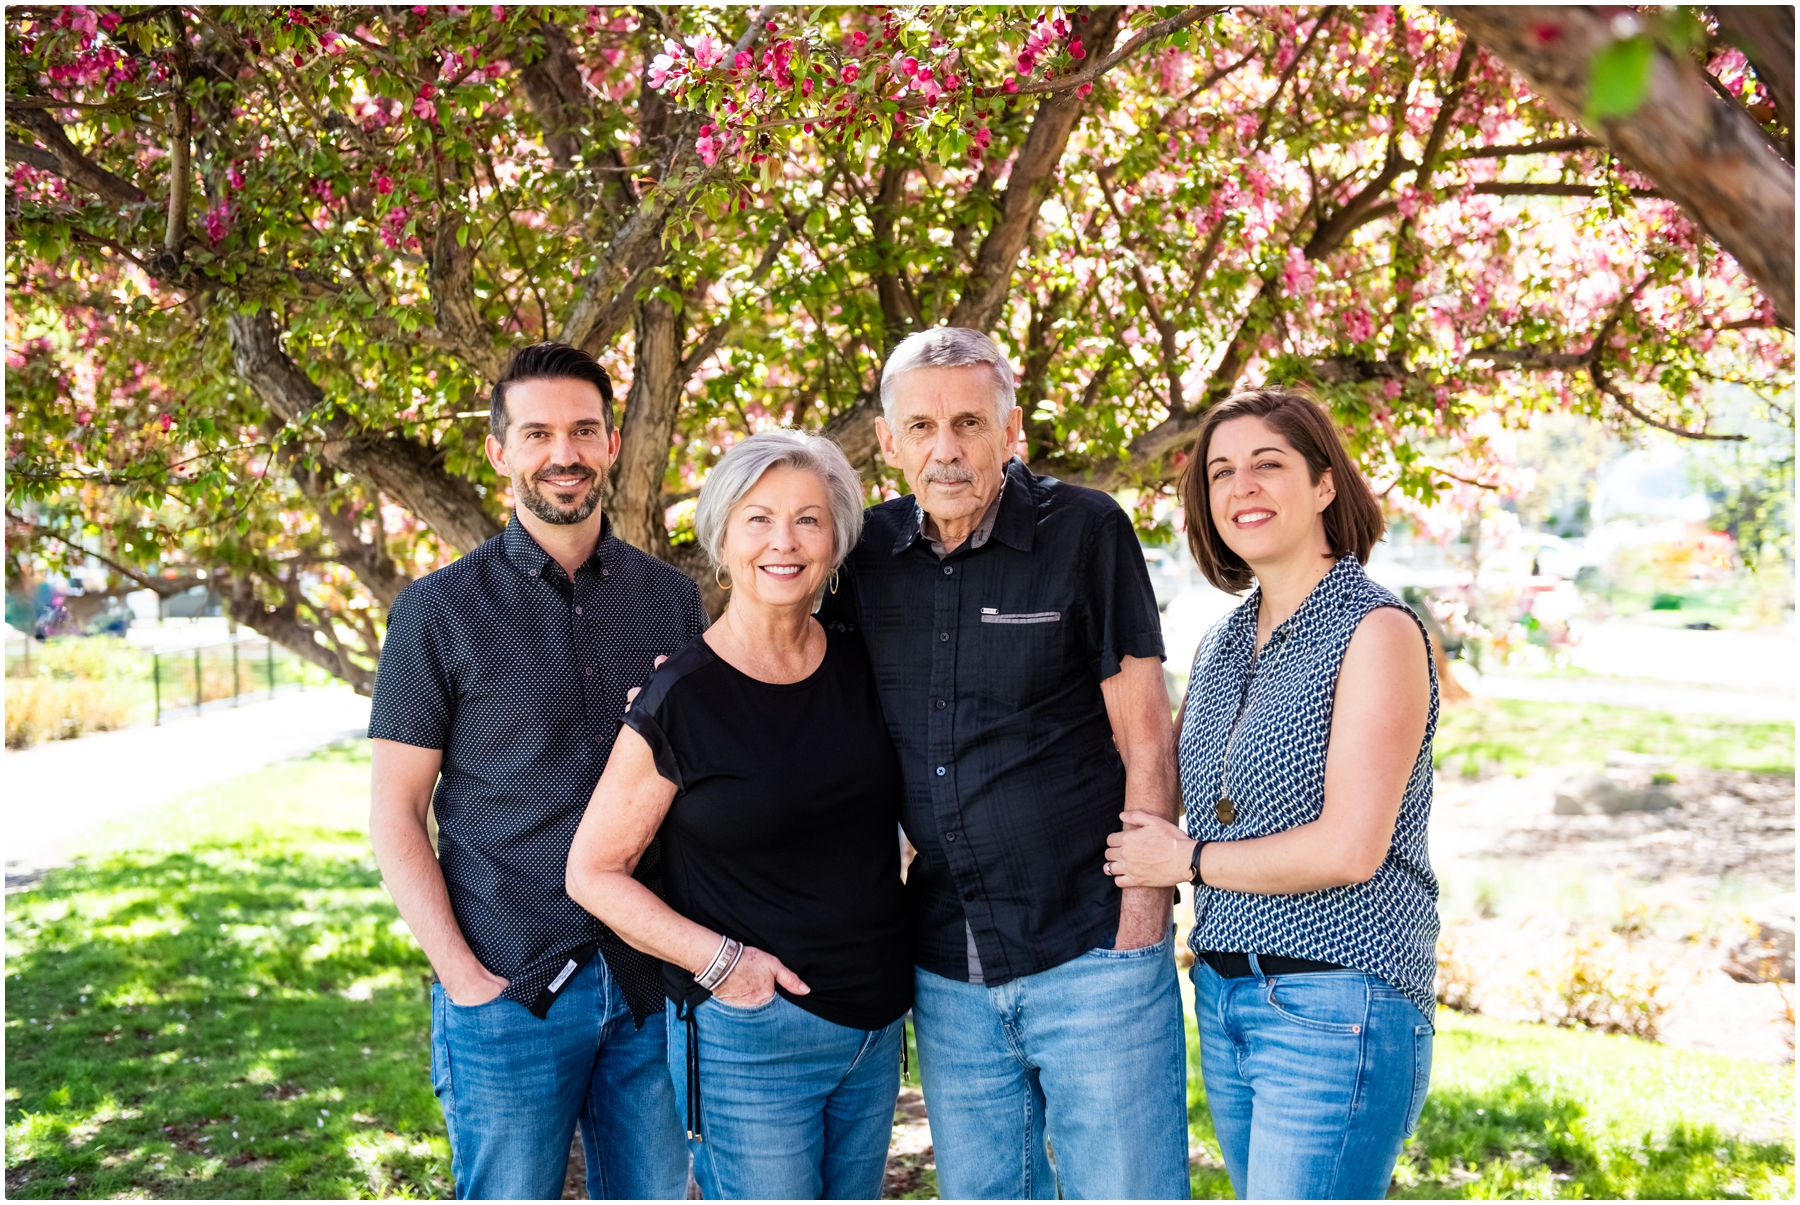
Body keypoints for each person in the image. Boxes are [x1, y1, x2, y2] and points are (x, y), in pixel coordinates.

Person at [819, 327, 1191, 1200]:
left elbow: (1147, 736)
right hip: (947, 962)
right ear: (888, 441)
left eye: (969, 424)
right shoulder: (862, 556)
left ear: (1010, 429)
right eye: (921, 427)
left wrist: (1139, 920)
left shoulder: (1087, 532)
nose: (945, 449)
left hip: (1090, 945)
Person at [367, 342, 699, 1200]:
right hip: (505, 987)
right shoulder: (435, 612)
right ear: (501, 450)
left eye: (585, 430)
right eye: (540, 432)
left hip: (646, 986)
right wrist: (460, 977)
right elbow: (397, 812)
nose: (565, 453)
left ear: (613, 442)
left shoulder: (671, 599)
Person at [1103, 386, 1439, 1200]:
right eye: (1221, 472)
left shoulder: (1377, 630)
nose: (1241, 487)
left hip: (1338, 997)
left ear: (1325, 485)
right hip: (1225, 997)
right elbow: (1160, 769)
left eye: (1267, 464)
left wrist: (1185, 859)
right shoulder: (1222, 641)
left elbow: (1351, 846)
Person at [565, 430, 911, 1201]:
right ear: (722, 537)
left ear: (837, 539)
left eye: (808, 520)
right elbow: (592, 871)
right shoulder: (681, 696)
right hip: (754, 1037)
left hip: (875, 1027)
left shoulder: (863, 664)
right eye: (758, 519)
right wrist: (723, 964)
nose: (782, 542)